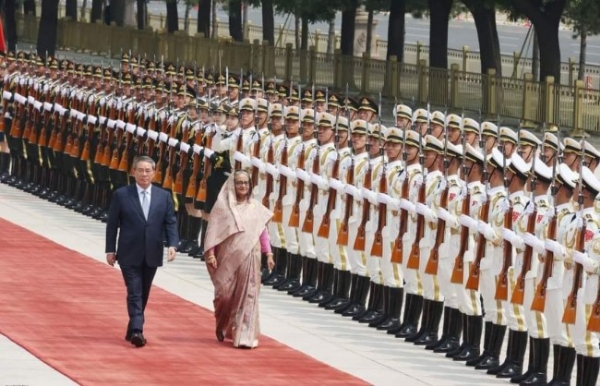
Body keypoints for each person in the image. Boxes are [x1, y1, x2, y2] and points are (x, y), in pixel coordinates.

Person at [105, 155, 179, 348]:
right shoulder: (122, 195)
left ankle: (132, 327)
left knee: (143, 291)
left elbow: (170, 222)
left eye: (148, 171)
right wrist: (110, 249)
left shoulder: (163, 196)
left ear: (154, 173)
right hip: (128, 252)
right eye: (140, 170)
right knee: (135, 291)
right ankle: (138, 330)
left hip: (152, 252)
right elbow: (112, 225)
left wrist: (173, 244)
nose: (144, 174)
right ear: (133, 172)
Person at [204, 170, 274, 348]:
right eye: (239, 182)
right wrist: (211, 253)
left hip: (250, 255)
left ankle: (245, 335)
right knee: (225, 296)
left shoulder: (255, 208)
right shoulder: (222, 207)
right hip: (226, 257)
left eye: (246, 183)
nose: (243, 186)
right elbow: (213, 231)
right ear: (232, 185)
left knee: (248, 295)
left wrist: (269, 254)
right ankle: (223, 324)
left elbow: (262, 232)